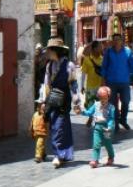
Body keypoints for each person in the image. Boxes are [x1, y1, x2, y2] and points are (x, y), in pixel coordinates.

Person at [39, 37, 79, 168]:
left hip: (64, 100)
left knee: (60, 127)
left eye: (49, 50)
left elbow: (73, 84)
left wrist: (76, 102)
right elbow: (46, 85)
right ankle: (65, 154)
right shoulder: (49, 66)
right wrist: (44, 101)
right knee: (55, 127)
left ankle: (59, 155)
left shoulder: (69, 66)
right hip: (52, 100)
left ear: (55, 51)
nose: (47, 53)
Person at [100, 33, 133, 133]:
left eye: (118, 39)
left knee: (126, 101)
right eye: (115, 39)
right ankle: (116, 122)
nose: (116, 41)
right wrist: (103, 79)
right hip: (111, 82)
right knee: (113, 104)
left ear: (122, 41)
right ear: (112, 41)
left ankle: (123, 120)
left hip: (124, 81)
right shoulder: (108, 52)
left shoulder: (128, 52)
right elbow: (104, 66)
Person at [83, 86, 116, 168]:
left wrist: (109, 127)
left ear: (108, 97)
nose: (103, 100)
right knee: (96, 144)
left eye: (105, 98)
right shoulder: (96, 105)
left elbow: (111, 119)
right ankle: (95, 160)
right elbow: (89, 112)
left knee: (107, 144)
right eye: (101, 98)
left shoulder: (111, 107)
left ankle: (111, 157)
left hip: (106, 128)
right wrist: (82, 111)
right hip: (97, 128)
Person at [79, 40, 104, 109]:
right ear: (94, 49)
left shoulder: (103, 59)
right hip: (90, 88)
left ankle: (95, 119)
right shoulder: (87, 60)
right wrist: (82, 86)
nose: (101, 49)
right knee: (90, 107)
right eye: (99, 47)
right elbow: (83, 74)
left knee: (100, 108)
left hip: (100, 87)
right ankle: (91, 119)